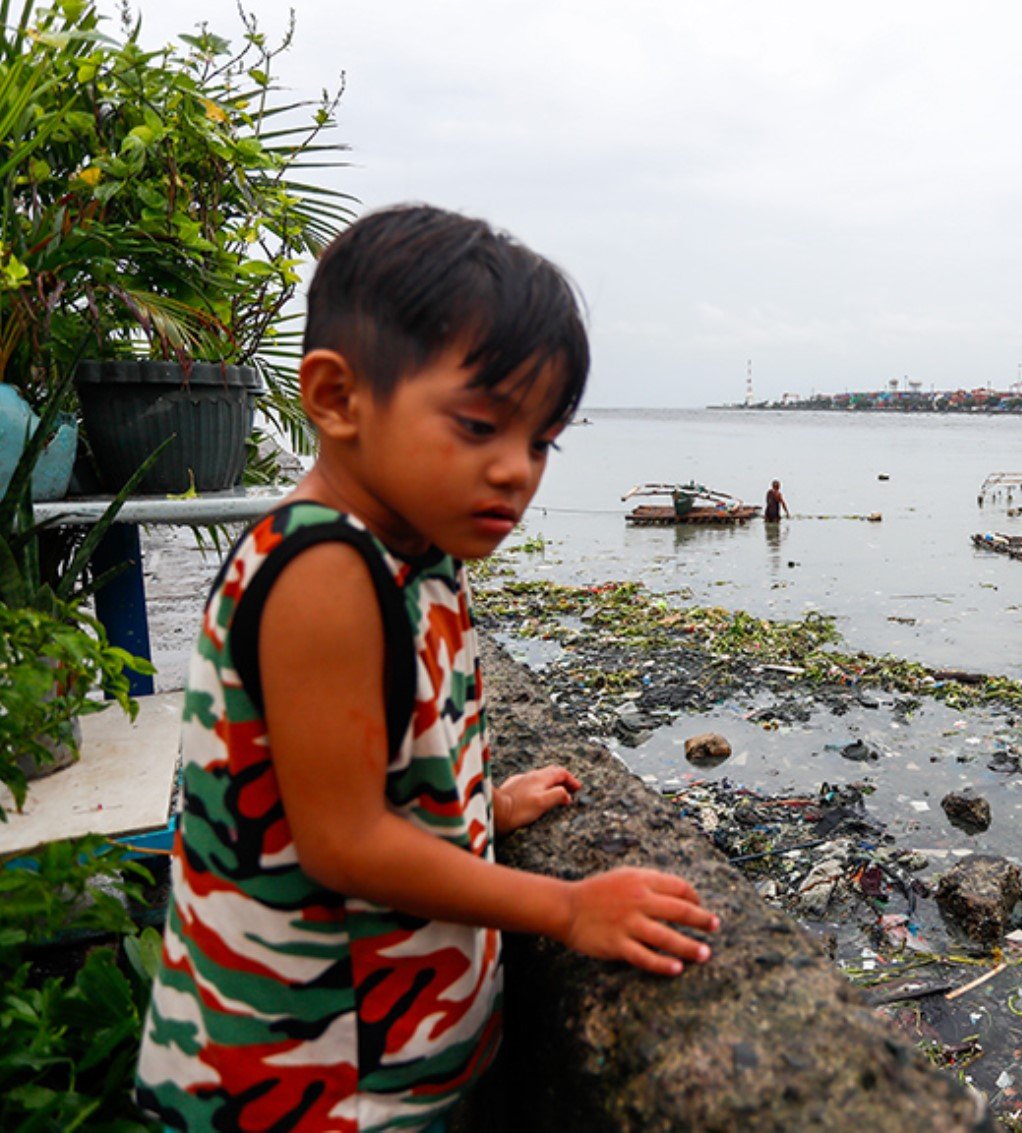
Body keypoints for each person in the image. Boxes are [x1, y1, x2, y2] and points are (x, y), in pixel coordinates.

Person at [134, 205, 718, 1132]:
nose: (516, 471)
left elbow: (375, 759)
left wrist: (476, 805)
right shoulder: (322, 569)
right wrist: (566, 908)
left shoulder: (415, 548)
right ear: (335, 399)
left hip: (390, 1050)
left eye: (541, 441)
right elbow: (344, 840)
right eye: (480, 425)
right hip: (306, 1079)